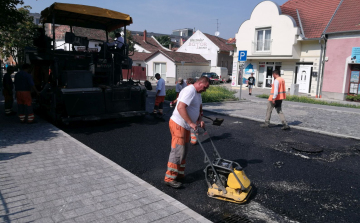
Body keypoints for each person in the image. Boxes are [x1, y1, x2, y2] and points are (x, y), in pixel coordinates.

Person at [164, 76, 210, 188]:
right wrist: (190, 123)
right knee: (177, 151)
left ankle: (179, 175)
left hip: (185, 126)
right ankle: (170, 178)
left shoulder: (198, 93)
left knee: (184, 150)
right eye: (204, 87)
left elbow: (198, 108)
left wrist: (199, 119)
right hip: (179, 124)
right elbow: (180, 107)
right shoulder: (190, 91)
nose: (205, 90)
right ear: (199, 83)